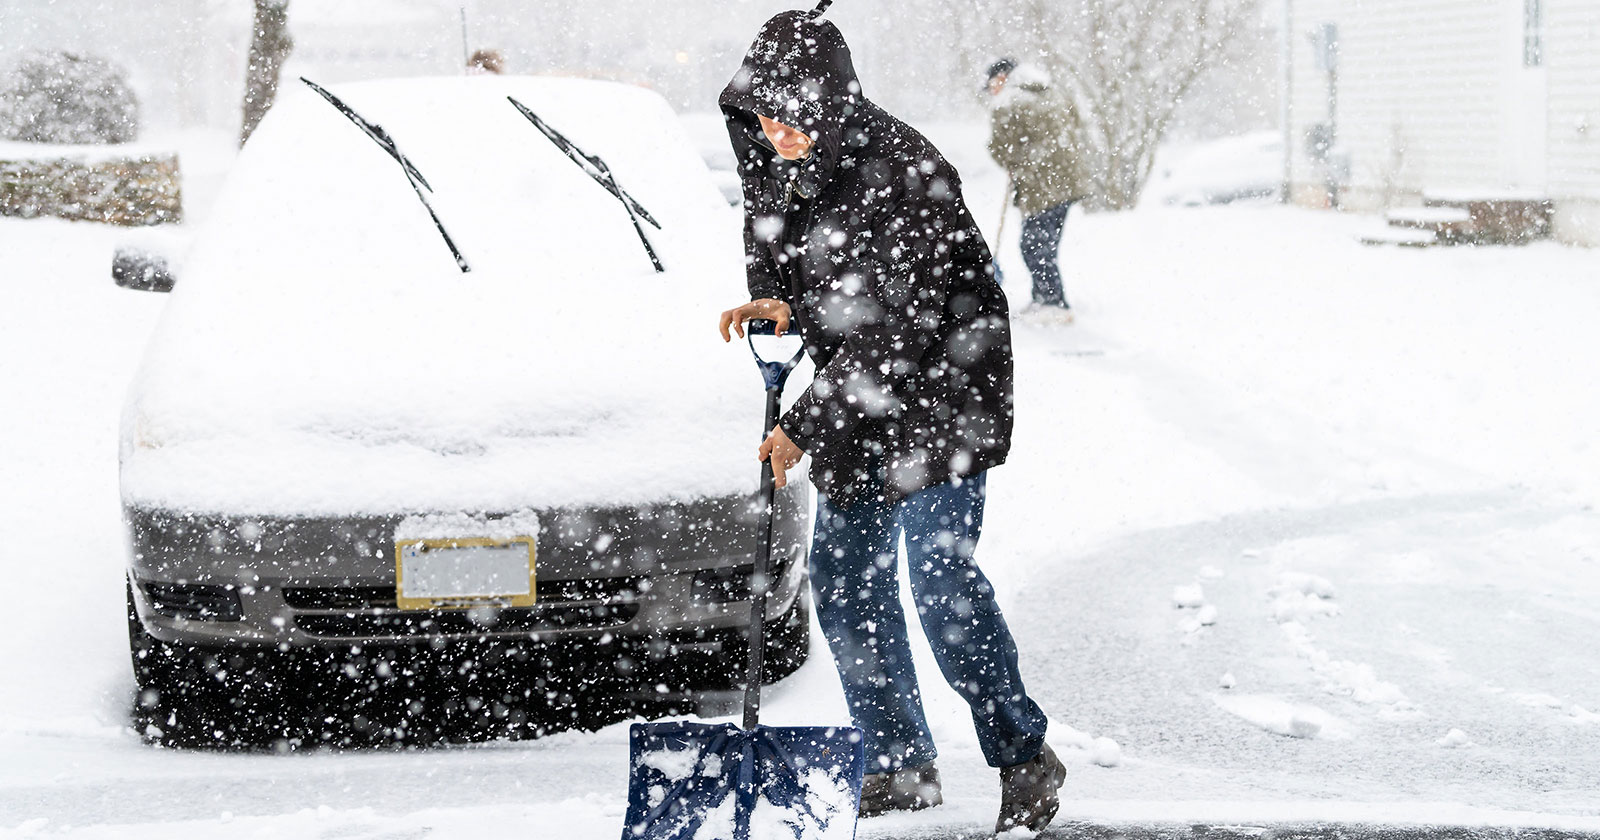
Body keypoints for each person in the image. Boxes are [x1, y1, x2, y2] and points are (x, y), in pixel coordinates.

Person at [715, 6, 1065, 835]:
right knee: (845, 584)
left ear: (829, 99)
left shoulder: (901, 170)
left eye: (790, 109)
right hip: (860, 406)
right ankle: (901, 763)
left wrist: (800, 423)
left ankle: (1024, 752)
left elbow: (896, 326)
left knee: (941, 585)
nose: (774, 129)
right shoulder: (780, 162)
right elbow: (799, 274)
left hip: (943, 393)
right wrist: (780, 306)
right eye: (760, 113)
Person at [986, 58, 1088, 324]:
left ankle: (1053, 303)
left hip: (1043, 184)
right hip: (1066, 179)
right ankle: (1043, 298)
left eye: (992, 83)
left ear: (1003, 78)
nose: (991, 90)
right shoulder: (1050, 91)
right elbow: (1075, 120)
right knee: (1042, 243)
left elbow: (1001, 149)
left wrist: (1016, 156)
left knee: (1035, 245)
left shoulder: (1008, 102)